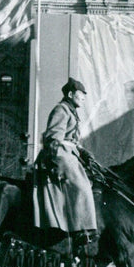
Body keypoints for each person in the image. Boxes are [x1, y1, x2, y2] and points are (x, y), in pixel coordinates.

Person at [33, 77, 98, 256]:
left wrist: (83, 152)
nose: (83, 99)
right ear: (70, 94)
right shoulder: (61, 110)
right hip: (58, 154)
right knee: (80, 185)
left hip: (69, 152)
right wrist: (57, 159)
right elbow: (54, 138)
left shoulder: (71, 111)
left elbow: (72, 140)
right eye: (81, 95)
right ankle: (81, 230)